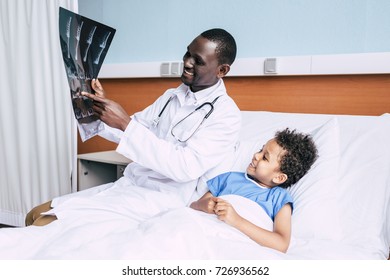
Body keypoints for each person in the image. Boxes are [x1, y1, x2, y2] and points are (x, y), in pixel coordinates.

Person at [25, 28, 242, 226]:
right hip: (131, 184)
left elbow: (185, 167)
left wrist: (125, 123)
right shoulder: (171, 96)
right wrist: (97, 109)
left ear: (222, 70)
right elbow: (134, 129)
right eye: (187, 54)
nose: (187, 63)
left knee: (43, 224)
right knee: (33, 214)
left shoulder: (225, 115)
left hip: (162, 198)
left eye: (198, 60)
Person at [190, 128, 318, 253]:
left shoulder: (279, 198)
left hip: (238, 245)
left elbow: (281, 244)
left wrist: (236, 220)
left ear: (279, 177)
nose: (256, 155)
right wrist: (205, 205)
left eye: (265, 157)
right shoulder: (229, 178)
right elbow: (193, 206)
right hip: (206, 232)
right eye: (260, 150)